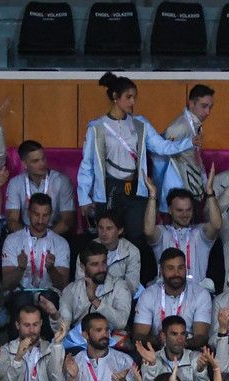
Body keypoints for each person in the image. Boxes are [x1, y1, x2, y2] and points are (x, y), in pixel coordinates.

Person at [77, 72, 197, 280]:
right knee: (107, 237)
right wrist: (84, 198)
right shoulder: (97, 128)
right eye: (128, 97)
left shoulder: (140, 124)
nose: (133, 102)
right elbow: (87, 165)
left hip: (136, 188)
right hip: (109, 189)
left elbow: (161, 146)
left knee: (136, 237)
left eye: (134, 97)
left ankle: (134, 284)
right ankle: (105, 280)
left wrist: (188, 143)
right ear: (115, 96)